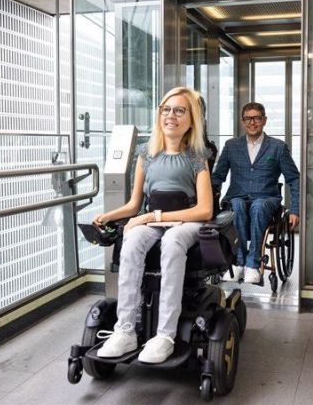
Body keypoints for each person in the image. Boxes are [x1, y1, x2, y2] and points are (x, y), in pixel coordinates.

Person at [92, 87, 213, 364]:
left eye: (180, 110)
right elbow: (135, 205)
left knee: (172, 242)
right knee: (132, 239)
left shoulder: (197, 156)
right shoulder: (146, 154)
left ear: (191, 119)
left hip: (186, 222)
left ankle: (165, 336)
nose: (171, 115)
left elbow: (205, 210)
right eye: (166, 109)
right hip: (154, 222)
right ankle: (125, 331)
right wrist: (109, 216)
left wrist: (151, 217)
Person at [211, 102, 300, 284]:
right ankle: (239, 262)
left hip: (267, 199)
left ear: (264, 120)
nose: (252, 122)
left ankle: (253, 264)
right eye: (248, 118)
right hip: (237, 198)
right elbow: (218, 176)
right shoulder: (231, 146)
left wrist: (295, 210)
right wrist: (207, 201)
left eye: (257, 118)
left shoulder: (278, 147)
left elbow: (294, 179)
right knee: (236, 205)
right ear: (243, 121)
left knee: (258, 206)